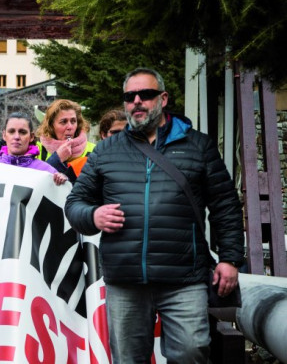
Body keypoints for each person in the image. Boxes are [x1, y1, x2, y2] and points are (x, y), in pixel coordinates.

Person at [65, 67, 244, 363]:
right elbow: (75, 203)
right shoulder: (106, 151)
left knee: (192, 352)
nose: (137, 101)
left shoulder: (199, 147)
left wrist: (230, 259)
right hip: (126, 279)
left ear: (162, 98)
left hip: (185, 278)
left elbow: (225, 205)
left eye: (145, 94)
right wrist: (93, 215)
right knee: (128, 359)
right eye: (129, 96)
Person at [0, 112, 68, 185]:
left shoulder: (47, 171)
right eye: (11, 131)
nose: (16, 137)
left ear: (31, 137)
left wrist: (61, 182)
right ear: (4, 135)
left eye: (22, 132)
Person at [35, 99, 96, 182]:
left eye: (73, 121)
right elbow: (35, 182)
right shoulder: (37, 150)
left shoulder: (94, 150)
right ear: (51, 126)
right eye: (63, 122)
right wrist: (57, 158)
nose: (70, 127)